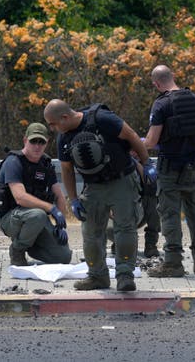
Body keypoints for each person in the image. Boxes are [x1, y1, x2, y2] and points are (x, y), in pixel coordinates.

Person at [43, 99, 156, 292]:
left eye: (53, 124)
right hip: (93, 187)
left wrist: (147, 163)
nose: (52, 129)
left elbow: (132, 136)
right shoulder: (64, 138)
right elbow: (67, 170)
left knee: (125, 230)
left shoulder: (102, 119)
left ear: (64, 117)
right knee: (91, 234)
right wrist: (74, 200)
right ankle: (97, 276)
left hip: (121, 180)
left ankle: (125, 276)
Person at [143, 65, 195, 277]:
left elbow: (152, 141)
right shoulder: (193, 99)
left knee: (169, 214)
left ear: (156, 84)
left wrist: (136, 143)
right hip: (194, 165)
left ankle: (173, 263)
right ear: (173, 77)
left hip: (170, 167)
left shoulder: (161, 104)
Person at [0, 123, 72, 266]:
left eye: (41, 142)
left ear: (46, 143)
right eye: (33, 141)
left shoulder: (46, 165)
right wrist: (50, 208)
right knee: (38, 214)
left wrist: (60, 226)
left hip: (35, 219)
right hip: (11, 218)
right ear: (25, 140)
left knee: (63, 257)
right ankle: (17, 250)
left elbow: (59, 196)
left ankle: (32, 243)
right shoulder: (14, 162)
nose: (37, 146)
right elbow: (20, 197)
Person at [106, 156, 161, 258]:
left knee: (153, 203)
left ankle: (150, 245)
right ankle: (119, 242)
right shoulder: (113, 162)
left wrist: (136, 163)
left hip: (140, 210)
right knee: (109, 227)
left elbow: (150, 185)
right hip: (118, 212)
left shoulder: (147, 165)